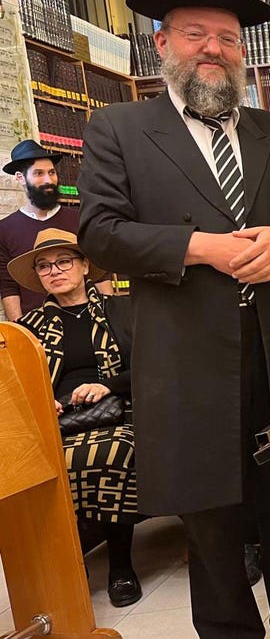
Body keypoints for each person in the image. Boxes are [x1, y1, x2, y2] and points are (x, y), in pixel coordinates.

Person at [77, 0, 270, 636]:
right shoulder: (120, 129)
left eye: (227, 37)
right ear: (162, 44)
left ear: (243, 51)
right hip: (185, 365)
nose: (213, 48)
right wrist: (201, 248)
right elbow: (98, 233)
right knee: (213, 529)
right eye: (196, 34)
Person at [9, 229, 141, 607]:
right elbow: (16, 387)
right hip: (58, 422)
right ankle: (72, 566)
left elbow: (153, 366)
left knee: (113, 450)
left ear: (85, 266)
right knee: (51, 464)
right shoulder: (28, 329)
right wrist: (40, 401)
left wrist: (108, 386)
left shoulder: (123, 310)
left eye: (64, 261)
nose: (55, 271)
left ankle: (120, 566)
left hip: (121, 412)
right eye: (44, 266)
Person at [1, 140, 82, 319]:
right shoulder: (5, 229)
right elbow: (8, 287)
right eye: (39, 173)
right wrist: (21, 331)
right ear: (20, 177)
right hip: (37, 327)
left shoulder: (79, 219)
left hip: (84, 319)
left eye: (51, 172)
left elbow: (99, 274)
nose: (48, 180)